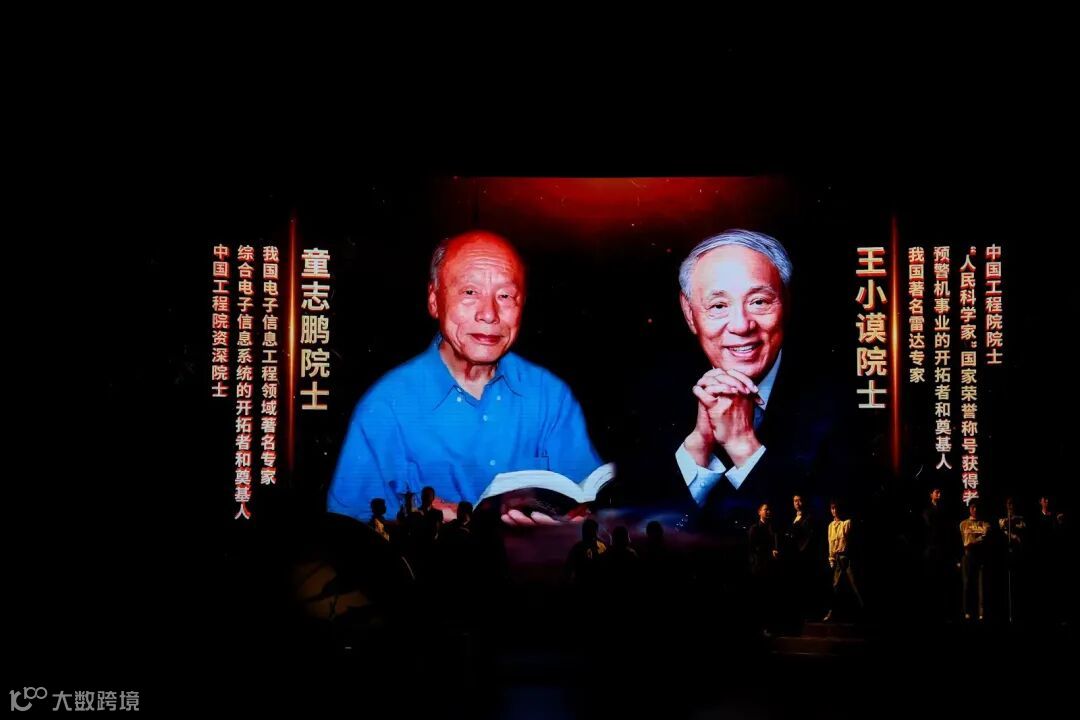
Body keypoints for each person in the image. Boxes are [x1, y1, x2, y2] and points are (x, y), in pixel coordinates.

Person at [327, 230, 604, 525]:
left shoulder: (550, 395)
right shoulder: (385, 406)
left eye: (505, 296)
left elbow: (584, 498)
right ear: (434, 300)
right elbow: (348, 529)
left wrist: (571, 526)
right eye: (470, 292)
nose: (489, 314)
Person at [608, 229, 856, 531]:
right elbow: (635, 524)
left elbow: (831, 531)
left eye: (759, 302)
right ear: (689, 313)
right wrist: (697, 451)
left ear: (786, 301)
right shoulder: (648, 397)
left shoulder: (843, 400)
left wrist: (744, 447)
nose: (741, 325)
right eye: (718, 306)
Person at [824, 500, 863, 622]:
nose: (834, 511)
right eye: (832, 508)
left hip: (847, 557)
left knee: (855, 584)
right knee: (835, 586)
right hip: (837, 559)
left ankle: (864, 611)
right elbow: (830, 543)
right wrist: (831, 558)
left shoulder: (846, 523)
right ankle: (832, 612)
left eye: (836, 508)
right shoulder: (830, 526)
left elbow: (849, 538)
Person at [959, 500, 991, 621]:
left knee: (981, 585)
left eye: (976, 507)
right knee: (967, 584)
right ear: (969, 509)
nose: (975, 510)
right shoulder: (963, 524)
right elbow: (963, 542)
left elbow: (985, 536)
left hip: (981, 556)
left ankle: (981, 613)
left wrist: (975, 540)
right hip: (968, 556)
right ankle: (967, 611)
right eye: (973, 507)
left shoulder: (984, 523)